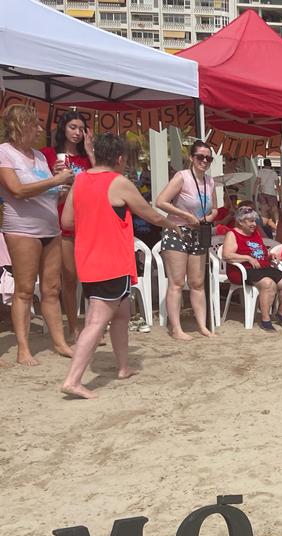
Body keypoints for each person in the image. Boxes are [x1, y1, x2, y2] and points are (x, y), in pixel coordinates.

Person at [59, 133, 172, 398]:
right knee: (97, 321)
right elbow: (151, 214)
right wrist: (175, 224)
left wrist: (94, 222)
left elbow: (66, 221)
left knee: (121, 312)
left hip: (88, 259)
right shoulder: (118, 182)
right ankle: (73, 380)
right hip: (110, 261)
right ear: (120, 158)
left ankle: (122, 366)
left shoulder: (81, 179)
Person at [0, 104, 75, 365]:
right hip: (23, 229)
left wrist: (62, 187)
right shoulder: (5, 153)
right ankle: (23, 348)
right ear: (20, 126)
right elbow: (17, 190)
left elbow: (47, 194)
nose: (40, 130)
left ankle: (60, 342)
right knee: (24, 290)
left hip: (50, 227)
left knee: (52, 289)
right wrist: (54, 182)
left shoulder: (40, 157)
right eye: (35, 125)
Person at [41, 110, 95, 343]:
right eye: (72, 127)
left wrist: (91, 152)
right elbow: (39, 185)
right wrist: (54, 180)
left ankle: (92, 326)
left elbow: (100, 181)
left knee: (92, 277)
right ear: (63, 128)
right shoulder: (48, 155)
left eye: (81, 128)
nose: (77, 132)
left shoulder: (85, 158)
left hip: (87, 222)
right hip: (60, 220)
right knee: (70, 278)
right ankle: (74, 327)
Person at [155, 140, 218, 340]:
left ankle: (202, 325)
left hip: (199, 231)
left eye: (208, 158)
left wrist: (206, 218)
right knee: (176, 282)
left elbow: (215, 209)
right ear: (191, 158)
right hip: (177, 231)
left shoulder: (210, 181)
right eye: (200, 157)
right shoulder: (181, 177)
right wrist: (185, 216)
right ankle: (176, 328)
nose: (204, 161)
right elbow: (161, 201)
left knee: (198, 282)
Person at [222, 205, 282, 331]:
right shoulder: (232, 234)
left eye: (255, 221)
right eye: (250, 221)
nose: (254, 224)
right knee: (268, 283)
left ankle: (281, 314)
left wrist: (270, 255)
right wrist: (247, 258)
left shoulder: (254, 233)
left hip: (262, 267)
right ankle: (265, 319)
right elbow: (226, 255)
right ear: (240, 221)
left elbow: (259, 250)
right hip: (243, 270)